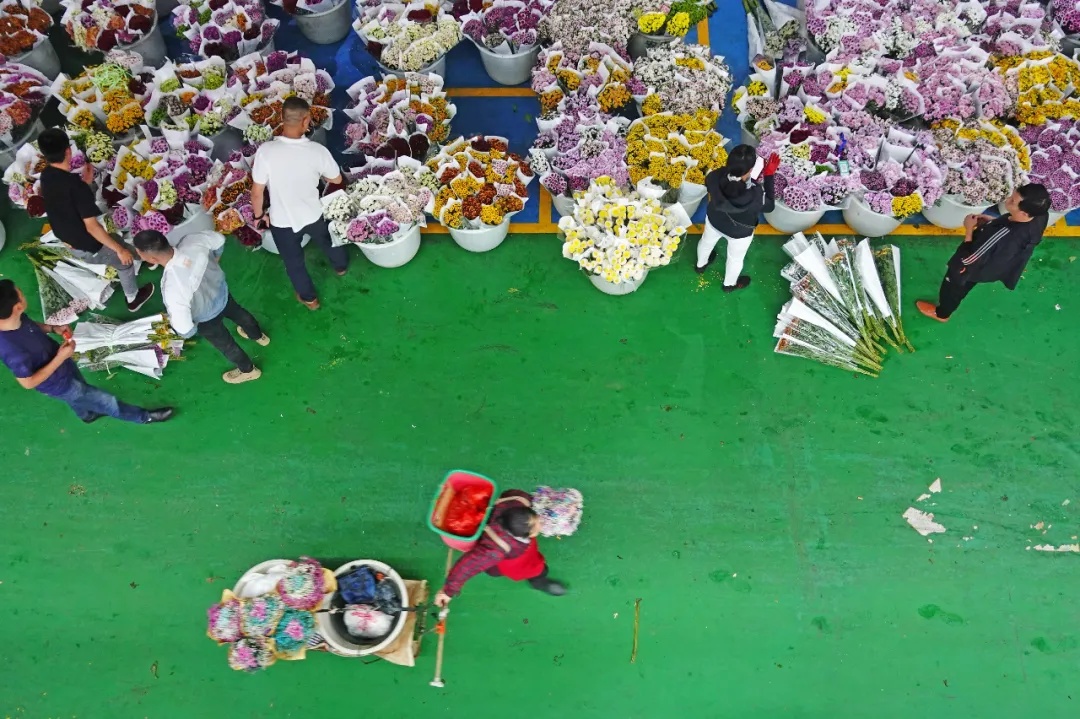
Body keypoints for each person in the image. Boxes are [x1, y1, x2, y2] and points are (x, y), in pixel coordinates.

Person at [0, 280, 173, 424]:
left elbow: (30, 325)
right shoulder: (11, 350)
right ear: (17, 307)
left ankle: (87, 415)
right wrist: (60, 358)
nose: (23, 293)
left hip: (63, 363)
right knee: (105, 401)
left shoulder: (11, 318)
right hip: (57, 382)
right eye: (20, 293)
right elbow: (28, 383)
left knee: (80, 394)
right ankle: (143, 417)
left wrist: (52, 328)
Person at [37, 127, 155, 311]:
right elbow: (92, 227)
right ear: (68, 151)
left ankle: (145, 256)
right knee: (123, 262)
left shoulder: (47, 176)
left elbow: (64, 198)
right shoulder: (76, 187)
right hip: (88, 245)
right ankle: (133, 299)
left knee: (117, 242)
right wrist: (119, 251)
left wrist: (86, 181)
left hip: (71, 238)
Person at [250, 96, 349, 311]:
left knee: (294, 263)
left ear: (282, 118)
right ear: (305, 121)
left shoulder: (265, 152)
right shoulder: (317, 151)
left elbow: (257, 192)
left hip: (282, 222)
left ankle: (310, 299)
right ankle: (340, 267)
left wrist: (259, 216)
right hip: (314, 214)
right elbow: (337, 179)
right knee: (329, 242)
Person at [132, 229, 268, 384]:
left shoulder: (172, 286)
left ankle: (249, 370)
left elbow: (185, 330)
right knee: (239, 313)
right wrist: (214, 260)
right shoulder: (192, 240)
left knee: (227, 345)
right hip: (221, 294)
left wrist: (191, 330)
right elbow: (219, 240)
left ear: (152, 259)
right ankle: (258, 336)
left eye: (139, 253)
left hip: (205, 318)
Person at [917, 184, 1051, 322]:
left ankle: (942, 314)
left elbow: (970, 259)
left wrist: (968, 228)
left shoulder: (1002, 235)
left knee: (953, 288)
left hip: (976, 266)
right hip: (999, 263)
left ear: (1023, 213)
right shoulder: (1040, 216)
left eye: (1012, 201)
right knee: (966, 285)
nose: (1008, 199)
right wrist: (992, 222)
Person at [434, 489, 566, 608]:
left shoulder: (517, 501)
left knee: (494, 569)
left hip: (507, 554)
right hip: (514, 562)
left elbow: (514, 493)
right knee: (538, 570)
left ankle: (496, 571)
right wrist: (448, 591)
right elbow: (467, 566)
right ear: (519, 535)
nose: (540, 527)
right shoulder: (495, 549)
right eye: (536, 528)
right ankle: (539, 582)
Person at [696, 145, 780, 292]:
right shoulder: (755, 194)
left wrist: (744, 180)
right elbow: (770, 206)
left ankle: (700, 265)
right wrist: (768, 175)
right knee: (735, 258)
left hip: (714, 220)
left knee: (706, 242)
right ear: (751, 169)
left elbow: (727, 187)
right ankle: (729, 285)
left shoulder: (715, 176)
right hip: (740, 232)